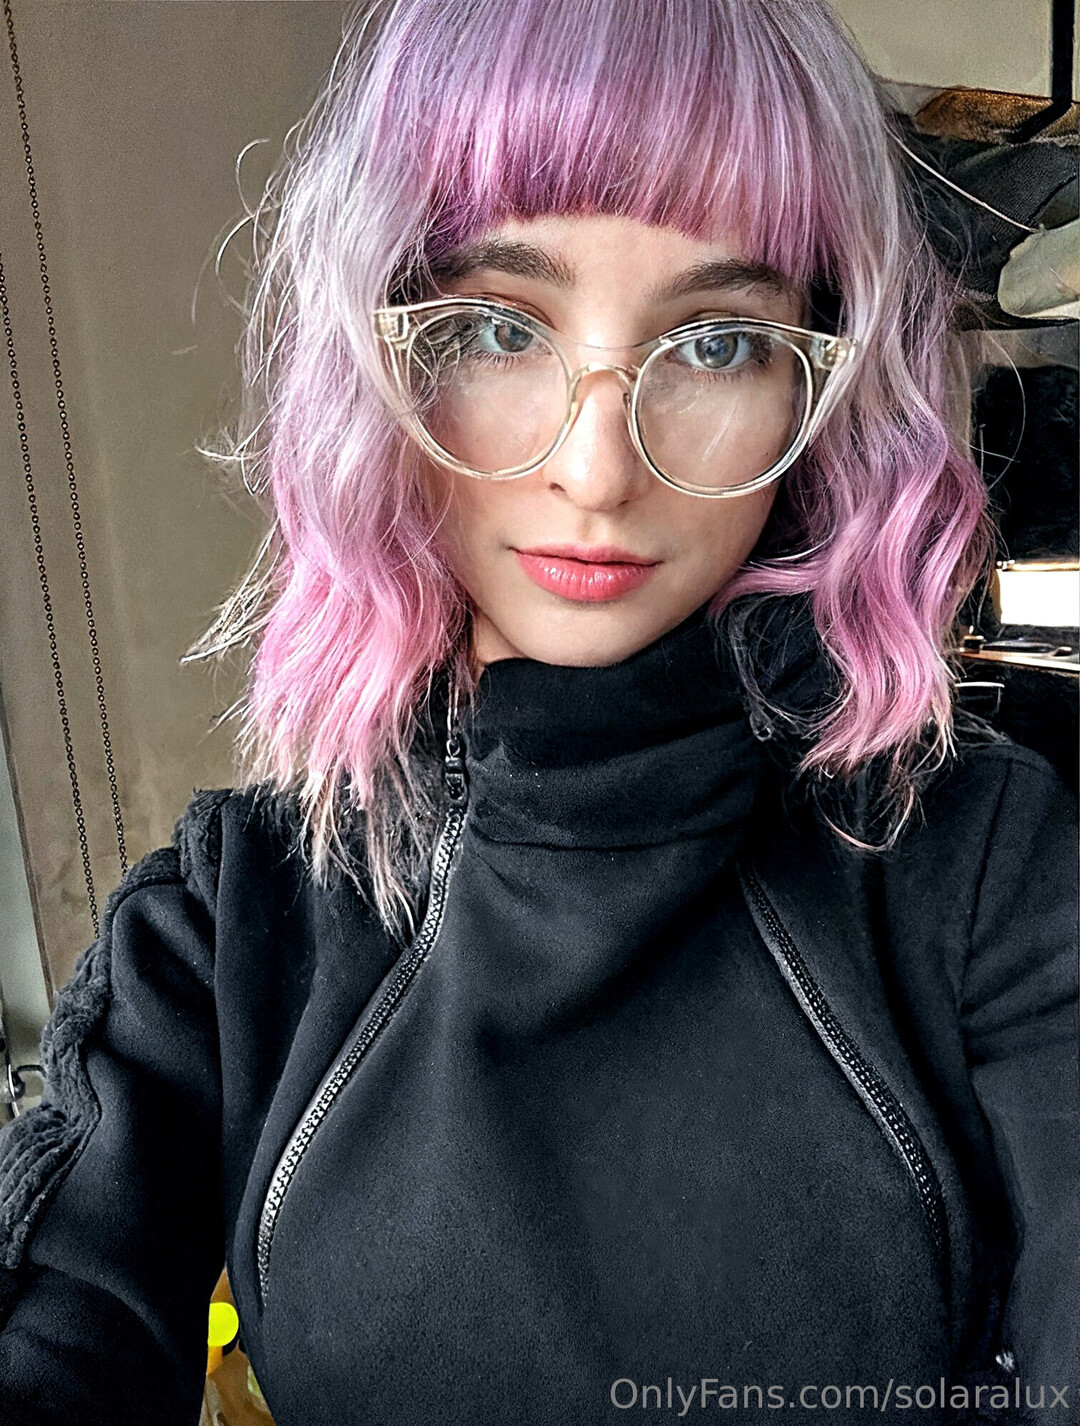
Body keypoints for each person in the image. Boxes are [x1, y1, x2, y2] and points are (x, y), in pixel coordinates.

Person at [0, 0, 1076, 1422]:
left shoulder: (983, 876)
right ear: (378, 356)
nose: (596, 470)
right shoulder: (232, 921)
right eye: (500, 328)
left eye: (716, 345)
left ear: (822, 386)